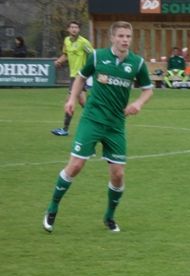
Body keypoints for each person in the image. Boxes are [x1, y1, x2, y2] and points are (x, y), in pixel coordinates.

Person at [43, 21, 153, 234]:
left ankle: (109, 217)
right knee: (76, 165)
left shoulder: (137, 63)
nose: (125, 40)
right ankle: (52, 208)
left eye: (128, 36)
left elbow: (148, 89)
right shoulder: (97, 56)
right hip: (92, 120)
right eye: (120, 36)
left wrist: (138, 103)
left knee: (118, 174)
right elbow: (81, 77)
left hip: (116, 125)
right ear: (112, 38)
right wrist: (72, 99)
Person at [52, 20, 94, 136]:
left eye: (76, 27)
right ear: (68, 29)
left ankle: (65, 129)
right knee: (83, 102)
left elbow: (92, 55)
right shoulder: (66, 41)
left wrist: (88, 70)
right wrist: (59, 61)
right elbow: (66, 54)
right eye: (72, 27)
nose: (74, 29)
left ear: (79, 29)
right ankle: (97, 122)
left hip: (80, 76)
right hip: (73, 75)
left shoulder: (83, 42)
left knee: (69, 101)